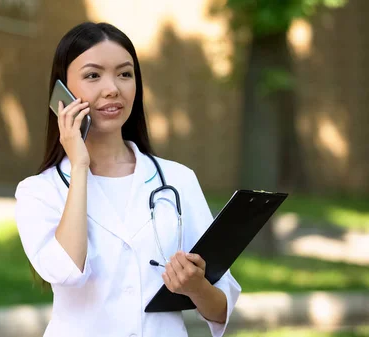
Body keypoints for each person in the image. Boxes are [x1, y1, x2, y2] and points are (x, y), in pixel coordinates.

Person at [15, 22, 241, 337]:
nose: (113, 89)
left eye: (125, 74)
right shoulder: (38, 191)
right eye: (93, 75)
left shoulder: (178, 180)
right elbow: (65, 270)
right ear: (61, 93)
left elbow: (220, 309)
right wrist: (79, 164)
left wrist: (196, 287)